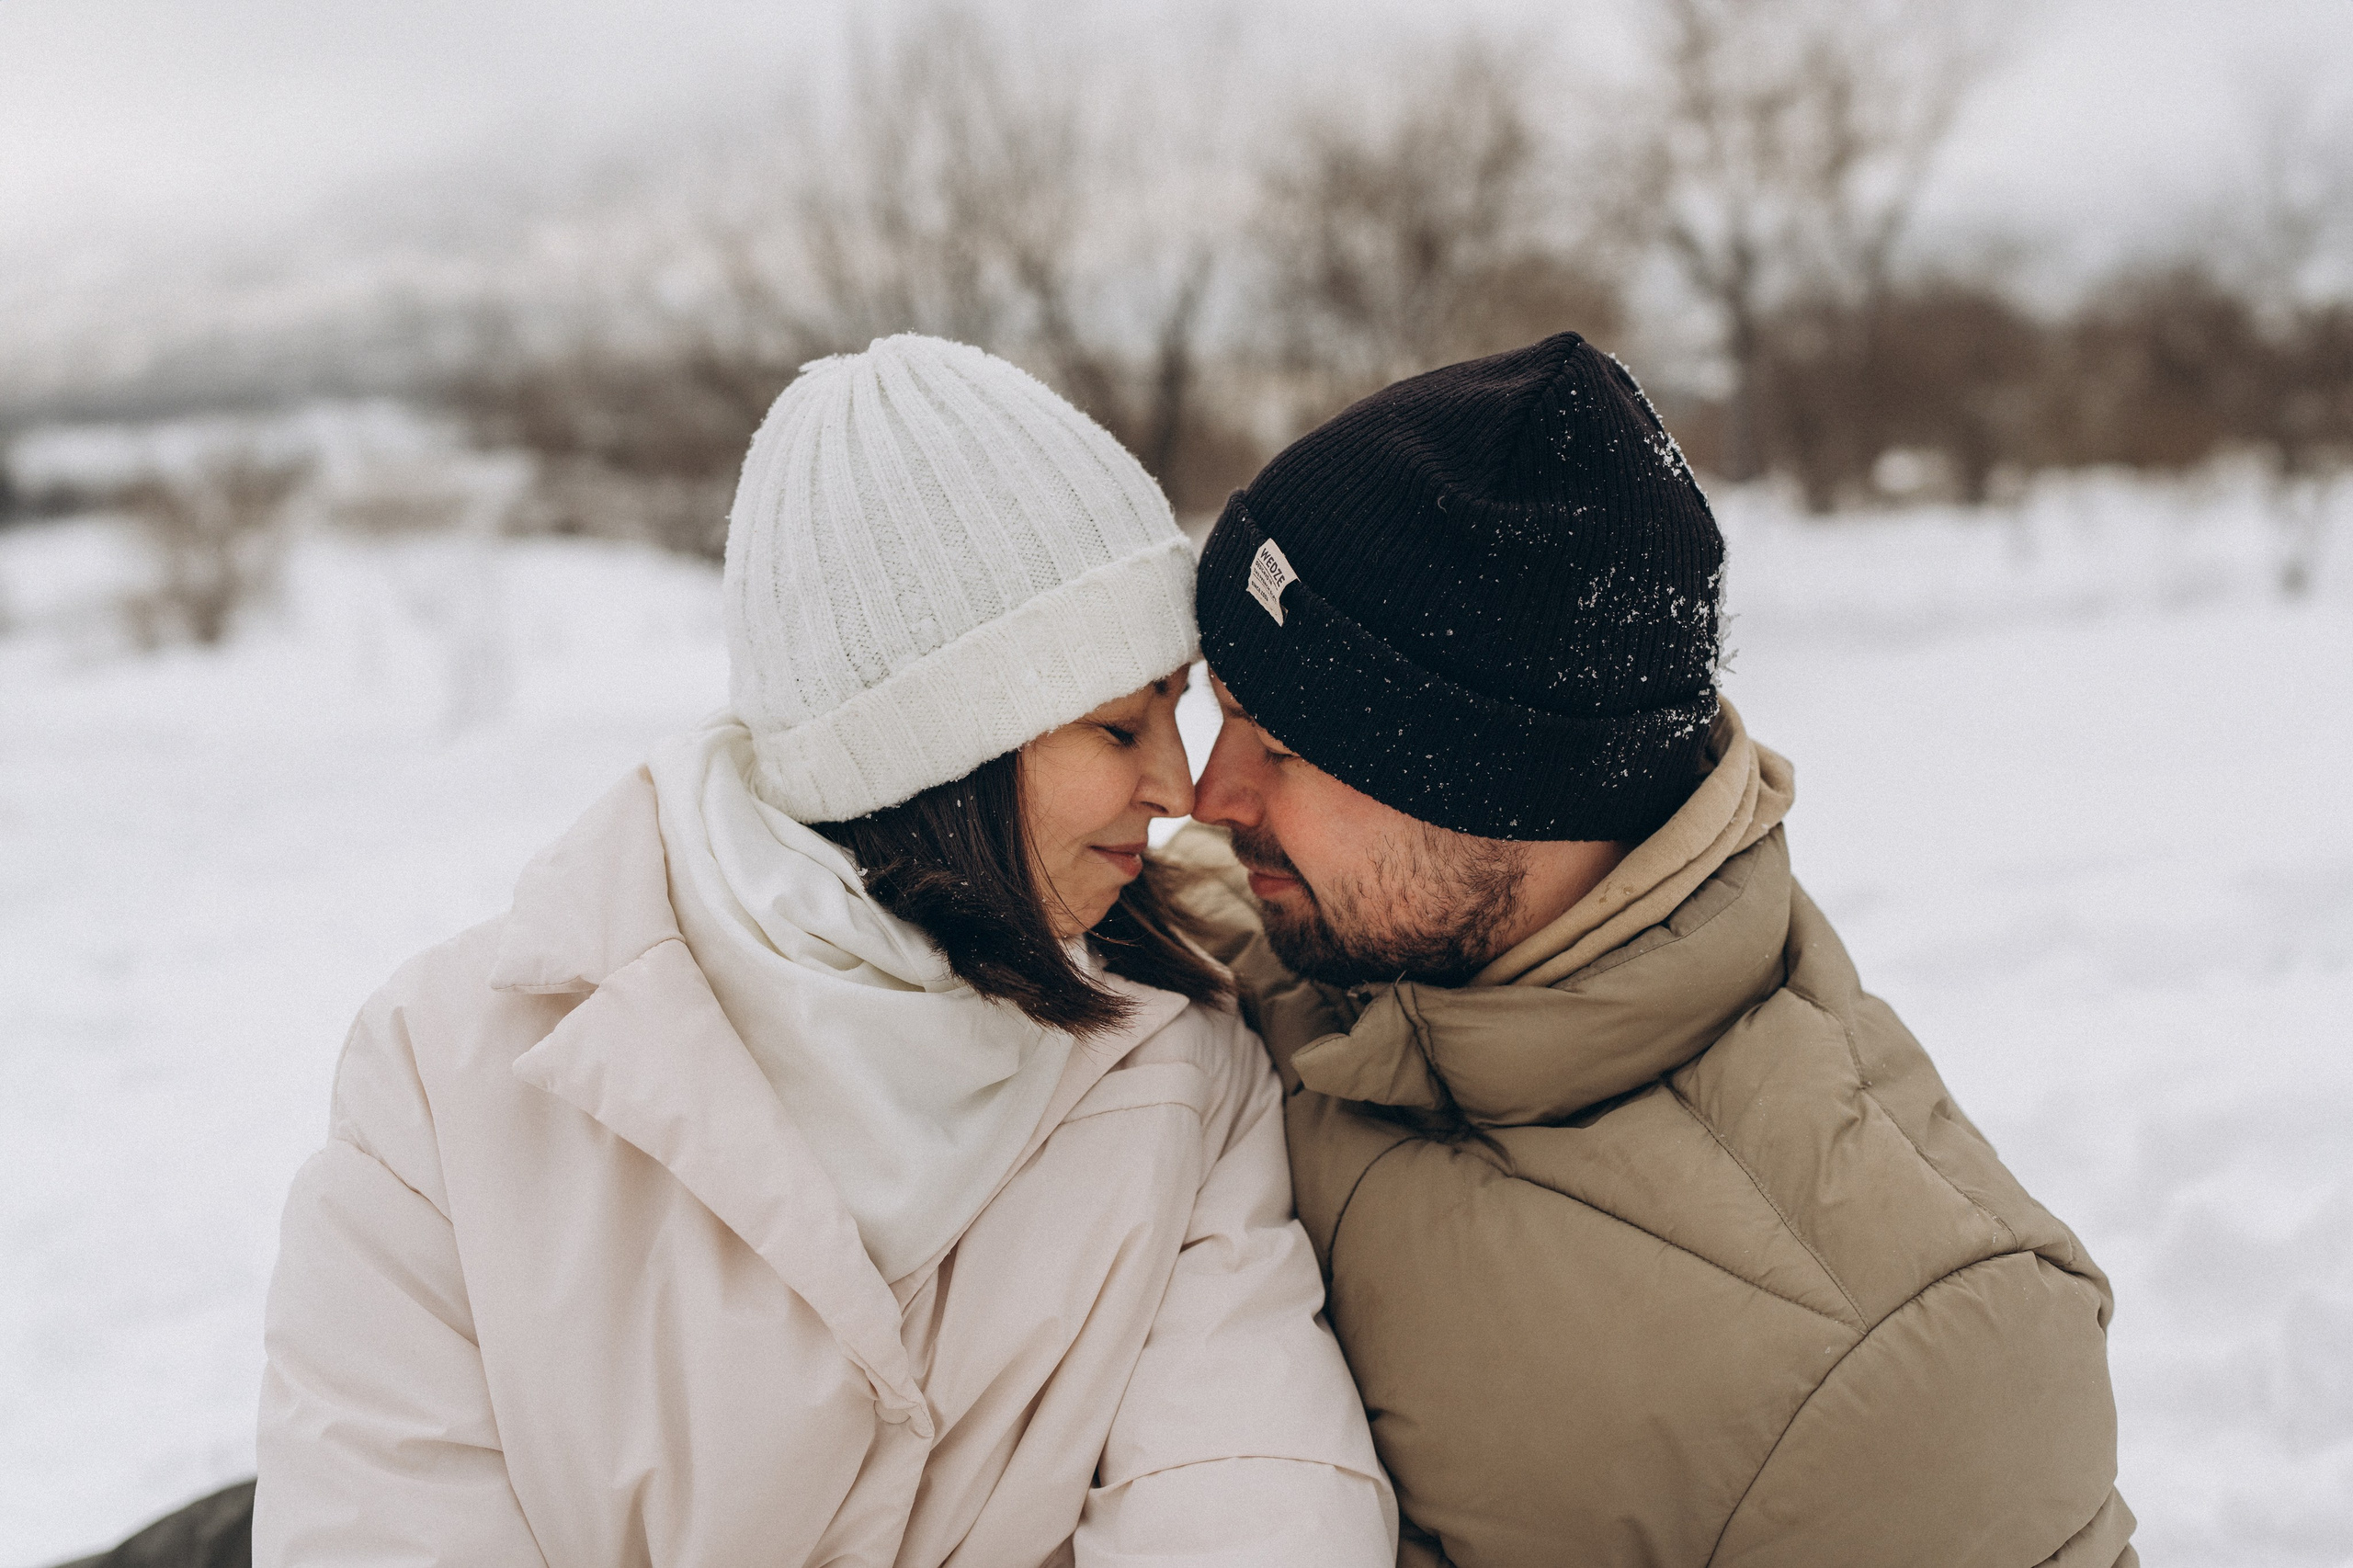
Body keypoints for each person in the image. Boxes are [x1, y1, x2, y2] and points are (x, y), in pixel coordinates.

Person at [241, 335, 1395, 1565]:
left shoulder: (1183, 1062)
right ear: (933, 756)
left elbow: (1258, 1505)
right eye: (1119, 727)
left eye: (1176, 705)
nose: (1177, 787)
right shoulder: (449, 1075)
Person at [1169, 333, 2135, 1566]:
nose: (1207, 797)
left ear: (1507, 793)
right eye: (1221, 715)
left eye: (1282, 746)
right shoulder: (1295, 929)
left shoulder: (1911, 1373)